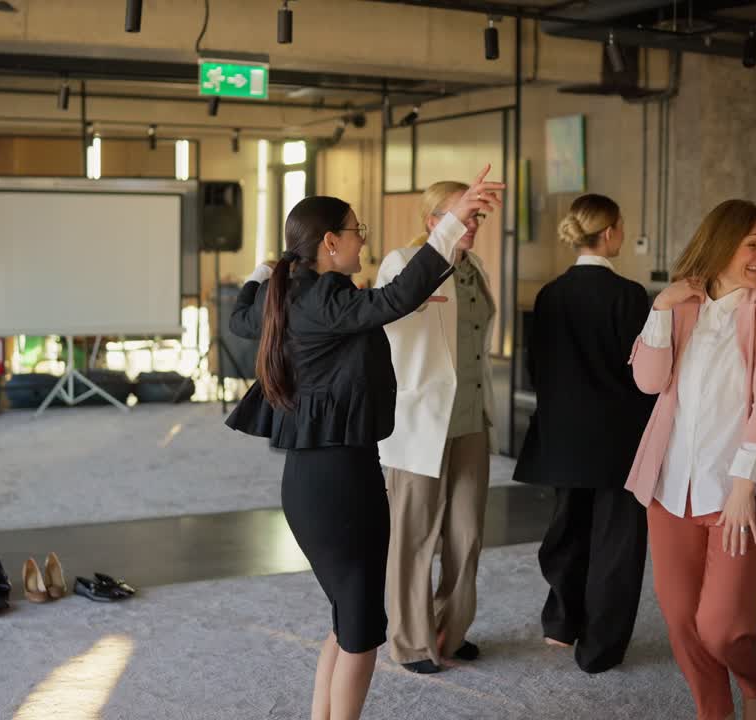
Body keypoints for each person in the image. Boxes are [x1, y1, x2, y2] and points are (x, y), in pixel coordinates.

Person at [226, 167, 503, 720]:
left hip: (320, 481)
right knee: (361, 634)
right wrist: (450, 224)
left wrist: (270, 265)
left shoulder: (287, 295)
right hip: (340, 486)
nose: (363, 239)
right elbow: (397, 297)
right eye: (357, 230)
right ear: (330, 244)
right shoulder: (323, 301)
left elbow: (239, 315)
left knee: (346, 621)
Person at [625, 199, 756, 720]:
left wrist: (744, 487)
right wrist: (661, 307)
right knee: (680, 621)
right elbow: (648, 382)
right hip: (672, 488)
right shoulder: (683, 305)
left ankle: (754, 687)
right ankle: (714, 713)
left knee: (724, 625)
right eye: (752, 244)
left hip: (737, 488)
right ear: (721, 244)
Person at [513, 193, 656, 673]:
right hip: (618, 440)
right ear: (611, 232)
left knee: (567, 529)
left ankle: (561, 622)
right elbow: (644, 374)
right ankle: (598, 649)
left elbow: (536, 368)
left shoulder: (550, 294)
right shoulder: (629, 296)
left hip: (563, 437)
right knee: (617, 546)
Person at [375, 180, 496, 675]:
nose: (471, 226)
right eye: (460, 216)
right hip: (418, 421)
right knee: (414, 535)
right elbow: (390, 324)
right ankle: (409, 639)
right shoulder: (403, 263)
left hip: (470, 418)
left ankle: (449, 629)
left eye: (476, 218)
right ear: (433, 221)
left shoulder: (477, 269)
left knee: (466, 534)